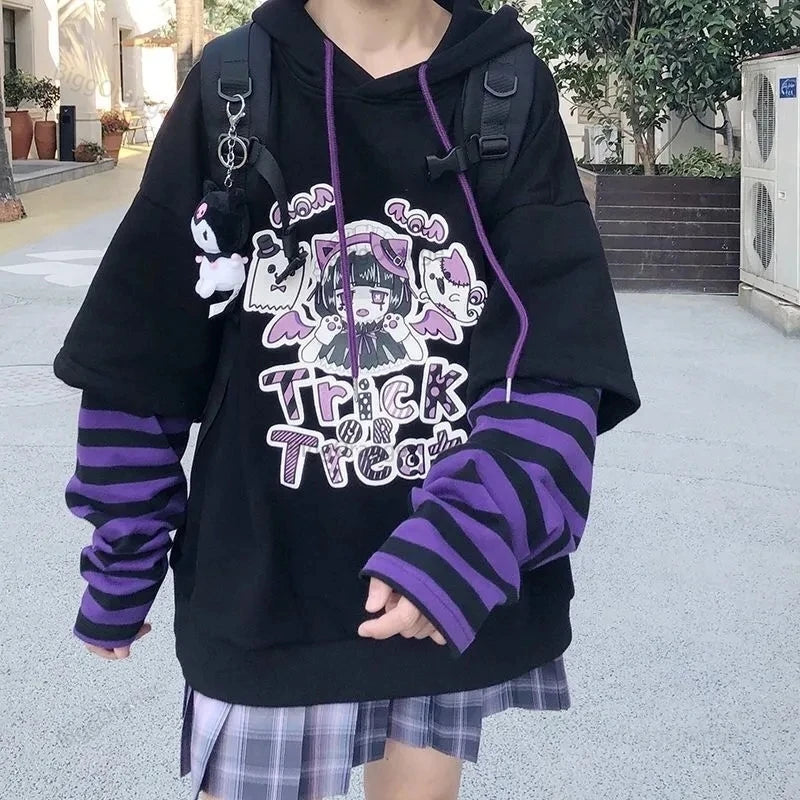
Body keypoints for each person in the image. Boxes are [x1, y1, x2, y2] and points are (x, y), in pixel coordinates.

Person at [54, 0, 640, 798]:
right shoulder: (233, 84)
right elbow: (144, 341)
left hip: (448, 577)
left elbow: (553, 356)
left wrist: (464, 543)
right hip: (265, 587)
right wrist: (124, 546)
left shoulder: (508, 87)